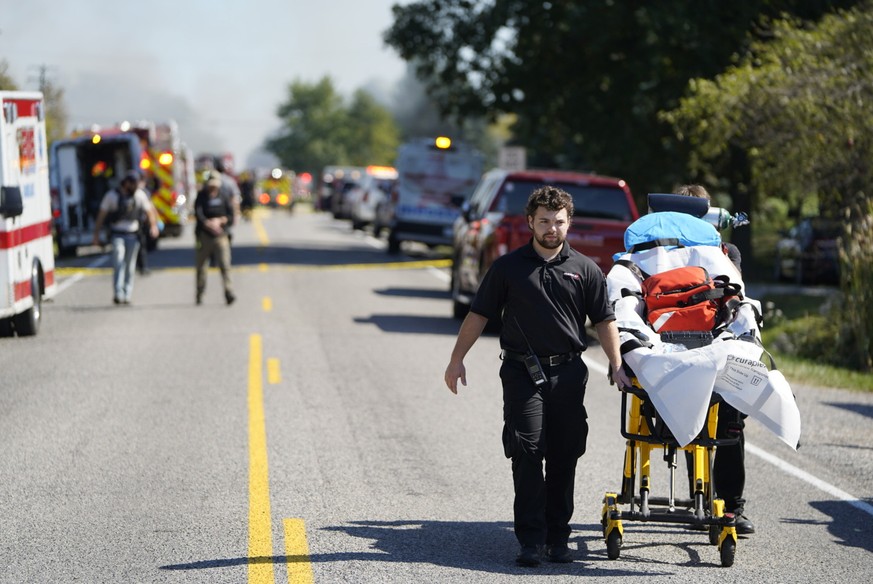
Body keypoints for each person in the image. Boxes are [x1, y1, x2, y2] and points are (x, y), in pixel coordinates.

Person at [443, 186, 631, 567]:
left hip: (568, 373)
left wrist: (616, 364)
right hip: (521, 371)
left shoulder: (586, 270)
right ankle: (530, 539)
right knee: (527, 450)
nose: (551, 228)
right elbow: (478, 314)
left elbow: (604, 320)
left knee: (565, 453)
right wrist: (456, 359)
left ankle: (557, 537)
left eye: (558, 221)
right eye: (543, 221)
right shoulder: (508, 267)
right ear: (530, 222)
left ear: (569, 223)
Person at [675, 183, 754, 535]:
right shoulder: (660, 252)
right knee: (690, 419)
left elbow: (734, 291)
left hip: (717, 343)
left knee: (730, 423)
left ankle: (732, 505)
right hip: (676, 347)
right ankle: (701, 496)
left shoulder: (727, 252)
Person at [91, 170, 159, 305]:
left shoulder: (139, 195)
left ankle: (127, 294)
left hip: (133, 235)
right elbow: (101, 215)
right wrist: (96, 234)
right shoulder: (112, 195)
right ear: (126, 183)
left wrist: (153, 226)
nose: (135, 186)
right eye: (133, 183)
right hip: (117, 234)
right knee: (118, 262)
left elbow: (149, 211)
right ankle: (118, 293)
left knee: (130, 266)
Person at [194, 176, 236, 305]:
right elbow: (198, 214)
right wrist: (208, 223)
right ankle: (200, 292)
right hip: (205, 236)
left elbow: (230, 216)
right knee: (202, 267)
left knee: (225, 265)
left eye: (215, 186)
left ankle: (228, 291)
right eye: (211, 186)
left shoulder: (223, 196)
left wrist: (220, 221)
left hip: (221, 236)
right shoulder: (202, 197)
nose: (213, 188)